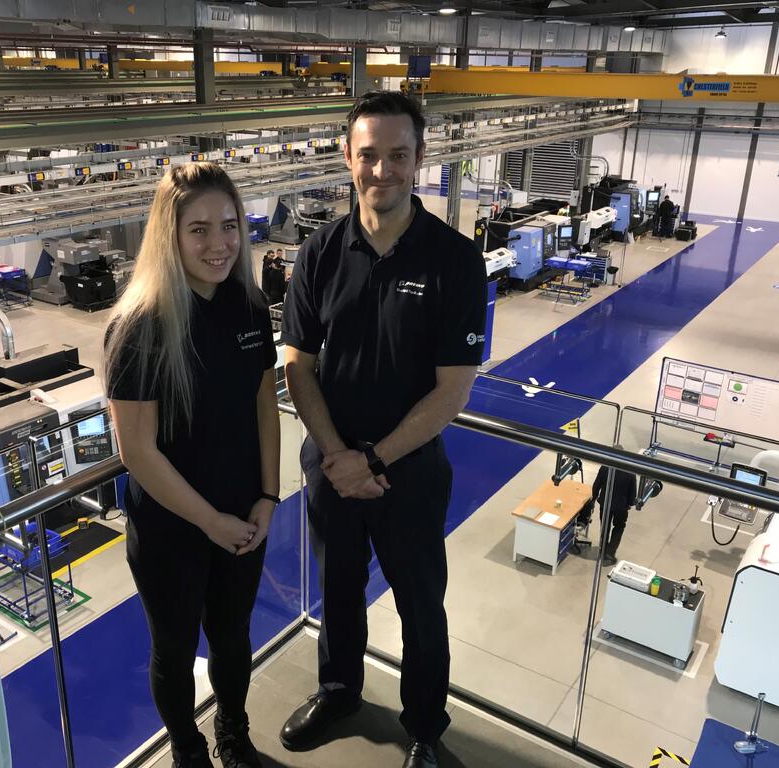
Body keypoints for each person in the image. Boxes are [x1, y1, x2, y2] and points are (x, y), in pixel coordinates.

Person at [279, 91, 487, 768]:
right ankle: (339, 691)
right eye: (368, 155)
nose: (382, 170)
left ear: (420, 159)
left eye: (398, 155)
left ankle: (425, 726)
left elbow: (452, 389)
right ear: (348, 158)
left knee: (421, 605)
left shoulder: (455, 260)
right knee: (338, 590)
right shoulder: (317, 254)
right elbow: (298, 367)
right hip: (331, 465)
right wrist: (340, 456)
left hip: (411, 471)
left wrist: (373, 458)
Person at [105, 162, 279, 768]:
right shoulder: (140, 328)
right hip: (172, 529)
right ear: (169, 236)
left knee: (233, 640)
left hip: (242, 515)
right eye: (198, 229)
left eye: (229, 225)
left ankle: (233, 730)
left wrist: (268, 497)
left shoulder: (249, 308)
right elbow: (137, 452)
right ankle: (187, 748)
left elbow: (265, 407)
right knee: (174, 651)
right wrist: (211, 521)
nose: (219, 243)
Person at [576, 465, 638, 567]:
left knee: (605, 526)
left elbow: (597, 484)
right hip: (621, 506)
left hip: (605, 503)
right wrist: (630, 503)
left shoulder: (605, 467)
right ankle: (610, 552)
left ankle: (603, 549)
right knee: (619, 526)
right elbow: (632, 494)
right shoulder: (630, 471)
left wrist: (594, 498)